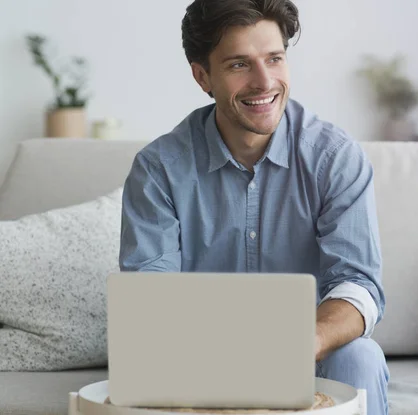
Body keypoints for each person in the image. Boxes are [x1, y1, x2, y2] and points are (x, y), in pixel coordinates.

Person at [119, 0, 389, 413]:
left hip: (308, 358)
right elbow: (150, 301)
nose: (265, 82)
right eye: (239, 65)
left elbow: (358, 285)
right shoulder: (159, 170)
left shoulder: (335, 158)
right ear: (202, 76)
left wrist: (309, 342)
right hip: (197, 361)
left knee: (361, 356)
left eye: (274, 59)